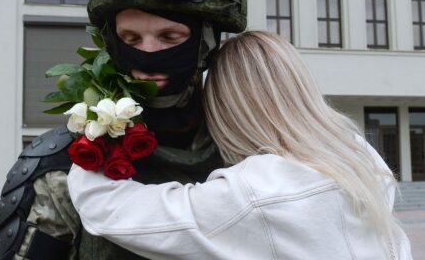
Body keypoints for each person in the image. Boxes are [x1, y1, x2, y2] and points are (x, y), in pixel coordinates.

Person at [0, 0, 247, 259]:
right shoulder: (61, 170)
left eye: (170, 36)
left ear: (207, 43)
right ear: (112, 44)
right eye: (131, 38)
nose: (149, 54)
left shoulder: (249, 153)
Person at [68, 31, 413, 260]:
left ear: (224, 108)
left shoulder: (258, 191)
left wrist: (97, 126)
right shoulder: (360, 159)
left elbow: (110, 210)